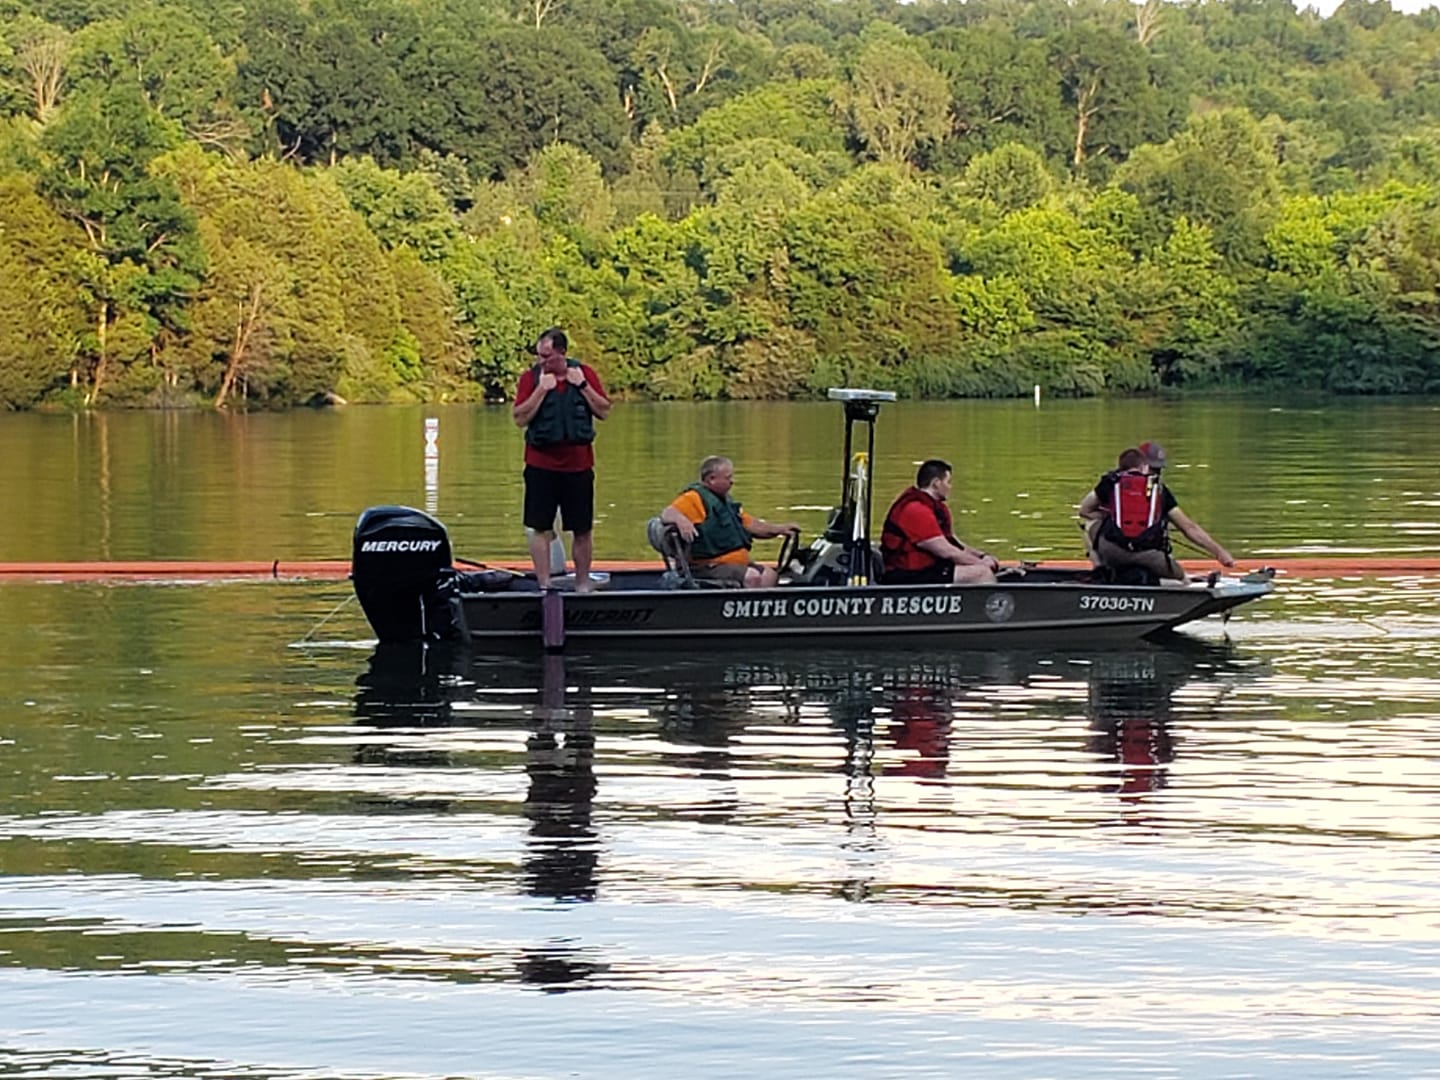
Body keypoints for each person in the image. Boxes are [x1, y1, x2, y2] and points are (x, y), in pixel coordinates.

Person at [512, 327, 612, 591]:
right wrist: (541, 391)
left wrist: (583, 386)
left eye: (547, 356)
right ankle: (545, 584)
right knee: (539, 527)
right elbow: (520, 418)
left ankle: (582, 582)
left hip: (578, 466)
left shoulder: (584, 374)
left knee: (582, 528)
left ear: (562, 353)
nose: (542, 361)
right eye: (539, 356)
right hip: (540, 465)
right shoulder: (530, 379)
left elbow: (604, 411)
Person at [1078, 442, 1234, 583]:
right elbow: (1189, 528)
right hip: (1151, 558)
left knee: (1090, 523)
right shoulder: (1160, 491)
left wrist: (1110, 520)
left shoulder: (1110, 482)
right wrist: (1219, 552)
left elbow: (1085, 511)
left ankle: (1100, 570)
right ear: (1143, 465)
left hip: (1111, 554)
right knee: (1183, 582)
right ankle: (1163, 587)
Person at [660, 455, 800, 588]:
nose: (732, 481)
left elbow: (751, 524)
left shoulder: (725, 502)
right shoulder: (694, 498)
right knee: (752, 577)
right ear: (712, 479)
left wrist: (780, 529)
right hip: (705, 566)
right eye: (728, 478)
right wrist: (681, 521)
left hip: (732, 564)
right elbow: (668, 512)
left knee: (769, 575)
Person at [879, 459, 999, 585]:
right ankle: (992, 603)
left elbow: (954, 544)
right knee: (982, 573)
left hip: (928, 570)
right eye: (948, 482)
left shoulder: (935, 508)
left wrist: (982, 556)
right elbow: (946, 551)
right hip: (908, 574)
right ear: (936, 483)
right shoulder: (916, 510)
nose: (950, 487)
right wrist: (981, 564)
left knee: (986, 568)